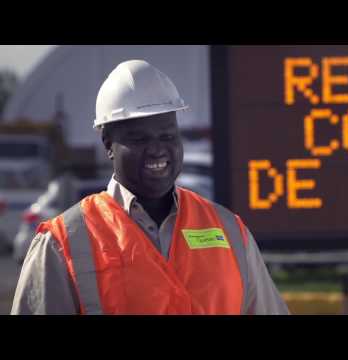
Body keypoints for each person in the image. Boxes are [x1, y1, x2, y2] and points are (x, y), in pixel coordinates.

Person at [11, 59, 290, 315]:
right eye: (139, 139)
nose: (157, 150)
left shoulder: (230, 232)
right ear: (108, 143)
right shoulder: (62, 243)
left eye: (167, 135)